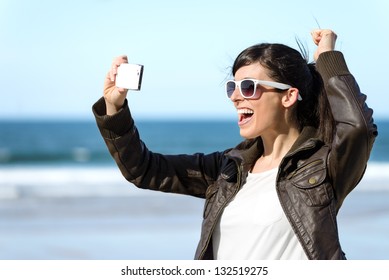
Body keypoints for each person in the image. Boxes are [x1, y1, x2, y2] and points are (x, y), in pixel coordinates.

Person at [92, 29, 377, 260]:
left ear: (288, 97)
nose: (236, 97)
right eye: (233, 87)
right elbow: (143, 169)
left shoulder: (324, 167)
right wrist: (114, 107)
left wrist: (328, 57)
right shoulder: (228, 169)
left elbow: (358, 129)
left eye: (249, 87)